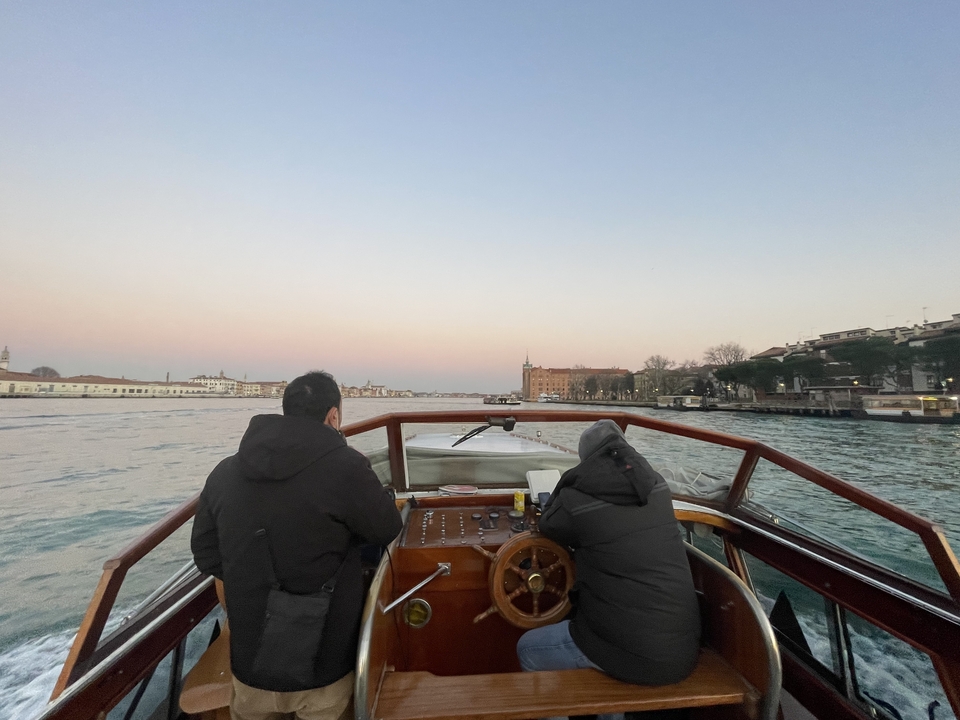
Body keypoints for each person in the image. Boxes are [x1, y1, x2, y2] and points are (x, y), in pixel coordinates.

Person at [191, 371, 403, 720]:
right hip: (325, 663)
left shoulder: (225, 471)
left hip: (250, 662)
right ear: (333, 416)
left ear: (286, 410)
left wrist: (256, 580)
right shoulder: (347, 467)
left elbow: (206, 553)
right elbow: (386, 528)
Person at [517, 419, 701, 696]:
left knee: (528, 648)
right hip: (682, 652)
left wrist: (567, 485)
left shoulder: (576, 498)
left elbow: (548, 525)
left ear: (585, 459)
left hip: (633, 658)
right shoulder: (657, 486)